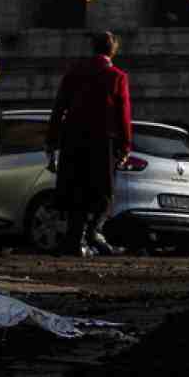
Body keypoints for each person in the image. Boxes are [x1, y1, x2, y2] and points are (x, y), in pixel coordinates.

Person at [46, 30, 131, 256]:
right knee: (103, 193)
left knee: (76, 191)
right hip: (102, 143)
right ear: (113, 51)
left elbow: (59, 108)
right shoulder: (117, 76)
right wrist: (126, 146)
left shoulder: (74, 72)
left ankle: (75, 240)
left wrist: (52, 141)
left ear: (92, 48)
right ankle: (92, 232)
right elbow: (123, 115)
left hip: (73, 139)